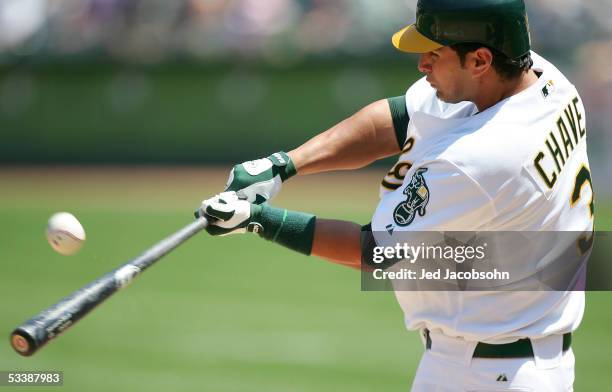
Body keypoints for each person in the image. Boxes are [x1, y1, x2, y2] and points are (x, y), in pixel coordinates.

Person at [196, 0, 594, 390]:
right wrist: (283, 164)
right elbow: (401, 117)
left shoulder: (482, 160)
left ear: (479, 61)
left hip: (494, 373)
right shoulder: (543, 77)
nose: (422, 65)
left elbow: (375, 251)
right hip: (500, 355)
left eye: (434, 54)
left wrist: (261, 221)